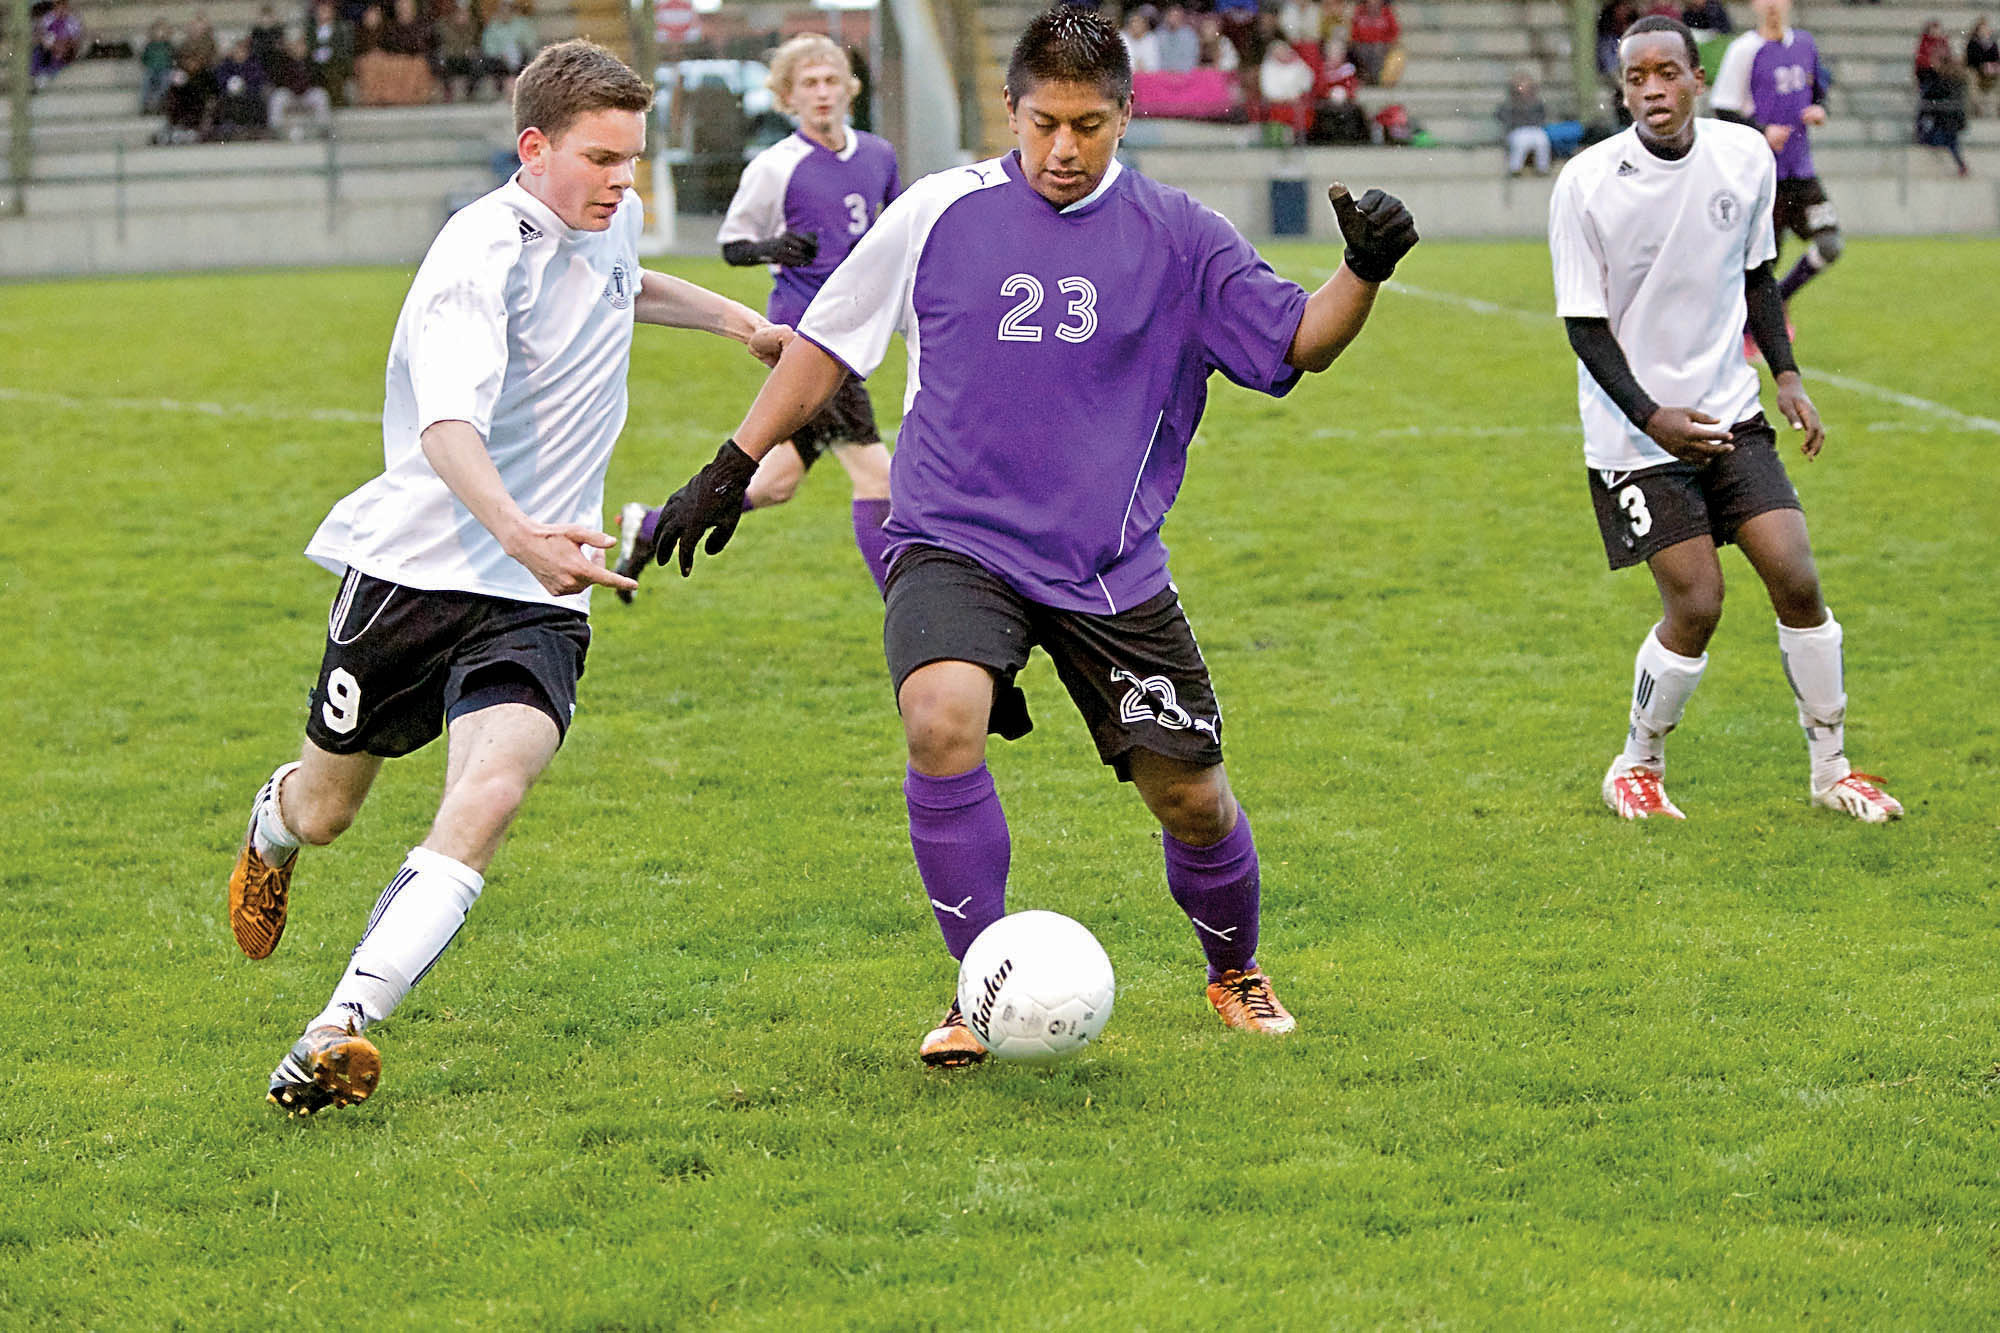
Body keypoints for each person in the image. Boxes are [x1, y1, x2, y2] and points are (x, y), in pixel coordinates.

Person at [643, 8, 1418, 1064]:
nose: (1062, 149)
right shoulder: (936, 212)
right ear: (1009, 109)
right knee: (940, 716)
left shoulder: (1180, 235)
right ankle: (976, 991)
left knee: (1190, 796)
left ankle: (1233, 968)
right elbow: (826, 346)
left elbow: (1297, 341)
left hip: (1107, 565)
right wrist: (726, 470)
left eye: (1088, 126)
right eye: (1043, 122)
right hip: (952, 535)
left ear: (1125, 117)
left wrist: (1361, 271)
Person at [226, 39, 790, 1117]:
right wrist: (521, 532)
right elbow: (446, 431)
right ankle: (271, 828)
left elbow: (623, 281)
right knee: (330, 808)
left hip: (539, 591)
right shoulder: (473, 261)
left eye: (633, 157)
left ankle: (336, 1028)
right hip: (416, 572)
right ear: (532, 150)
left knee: (489, 794)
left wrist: (736, 321)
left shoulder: (603, 213)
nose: (624, 181)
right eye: (601, 160)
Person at [1548, 16, 1903, 827]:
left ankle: (1832, 768)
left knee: (1797, 577)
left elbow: (1759, 277)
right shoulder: (1587, 183)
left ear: (1696, 79)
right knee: (1698, 602)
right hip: (1634, 433)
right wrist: (1650, 416)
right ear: (1623, 87)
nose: (1651, 91)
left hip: (1728, 411)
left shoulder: (1744, 158)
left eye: (1666, 73)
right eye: (1635, 78)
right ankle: (1635, 763)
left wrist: (1785, 375)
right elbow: (1584, 325)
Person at [615, 34, 900, 599]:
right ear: (787, 97)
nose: (822, 93)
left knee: (779, 483)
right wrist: (779, 247)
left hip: (856, 330)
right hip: (807, 336)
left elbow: (891, 231)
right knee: (876, 476)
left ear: (850, 88)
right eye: (808, 84)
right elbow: (732, 246)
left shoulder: (878, 155)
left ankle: (646, 526)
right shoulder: (778, 165)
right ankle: (908, 616)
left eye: (830, 80)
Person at [1711, 0, 1842, 314]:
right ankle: (1744, 329)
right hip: (1761, 178)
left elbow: (1818, 92)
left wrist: (1820, 110)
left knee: (1830, 245)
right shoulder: (1744, 50)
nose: (1772, 4)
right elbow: (1723, 110)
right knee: (1762, 266)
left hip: (1801, 172)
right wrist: (1763, 131)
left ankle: (1780, 299)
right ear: (1754, 5)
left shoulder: (1805, 44)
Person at [1499, 67, 1552, 174]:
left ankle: (1542, 168)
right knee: (1521, 142)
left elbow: (1542, 118)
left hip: (1535, 130)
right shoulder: (1509, 104)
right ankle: (1515, 168)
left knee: (1542, 140)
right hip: (1517, 131)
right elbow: (1504, 118)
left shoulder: (1537, 103)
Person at [140, 20, 177, 113]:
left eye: (163, 31)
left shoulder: (168, 45)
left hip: (165, 69)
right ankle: (146, 104)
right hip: (152, 69)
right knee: (146, 82)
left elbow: (173, 57)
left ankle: (156, 103)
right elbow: (144, 57)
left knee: (165, 83)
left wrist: (171, 65)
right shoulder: (150, 45)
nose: (160, 33)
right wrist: (146, 64)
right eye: (158, 30)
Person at [1968, 16, 1999, 116]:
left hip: (1991, 71)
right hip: (1976, 71)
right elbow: (1972, 59)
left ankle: (1997, 106)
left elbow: (1996, 57)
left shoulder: (1992, 44)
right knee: (1971, 80)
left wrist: (1992, 66)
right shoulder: (1973, 43)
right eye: (1982, 29)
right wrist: (1982, 66)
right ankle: (1977, 108)